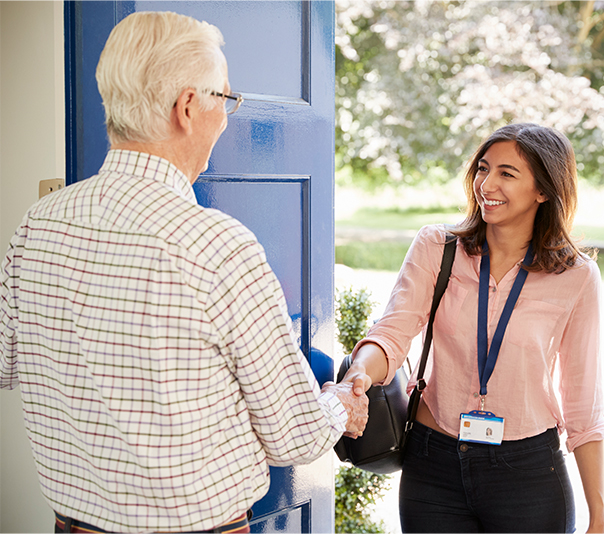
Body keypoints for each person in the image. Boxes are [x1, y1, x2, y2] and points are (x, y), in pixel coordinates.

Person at [0, 11, 367, 534]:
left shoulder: (40, 222)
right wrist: (336, 407)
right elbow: (296, 438)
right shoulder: (217, 246)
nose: (227, 115)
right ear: (189, 107)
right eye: (226, 99)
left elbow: (4, 364)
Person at [342, 123, 604, 533]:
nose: (487, 183)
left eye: (507, 173)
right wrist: (360, 372)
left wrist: (599, 514)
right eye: (483, 169)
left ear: (543, 190)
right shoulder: (437, 247)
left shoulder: (576, 277)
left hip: (528, 474)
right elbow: (392, 333)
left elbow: (582, 399)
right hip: (433, 466)